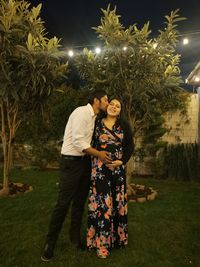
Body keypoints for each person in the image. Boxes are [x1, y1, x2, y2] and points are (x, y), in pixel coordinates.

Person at [41, 90, 111, 262]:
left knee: (79, 203)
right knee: (63, 204)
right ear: (96, 100)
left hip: (84, 163)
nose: (107, 103)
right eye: (105, 100)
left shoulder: (94, 118)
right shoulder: (81, 113)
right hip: (71, 163)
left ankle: (75, 239)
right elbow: (79, 142)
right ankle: (50, 244)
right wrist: (99, 154)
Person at [87, 98, 134, 258]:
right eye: (112, 104)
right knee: (102, 206)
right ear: (107, 106)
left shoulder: (124, 125)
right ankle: (101, 245)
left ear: (120, 110)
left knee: (116, 203)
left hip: (117, 171)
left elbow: (130, 146)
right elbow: (90, 144)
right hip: (100, 171)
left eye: (118, 106)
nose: (114, 107)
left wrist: (120, 162)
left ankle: (118, 240)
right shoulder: (96, 123)